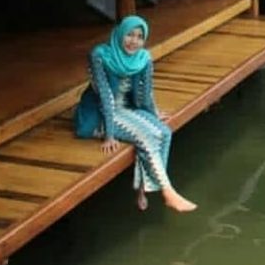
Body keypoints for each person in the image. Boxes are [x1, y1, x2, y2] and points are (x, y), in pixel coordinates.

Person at [75, 15, 197, 212]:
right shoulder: (100, 55)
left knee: (164, 132)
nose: (134, 41)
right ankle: (167, 191)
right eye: (130, 35)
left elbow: (145, 93)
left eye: (140, 37)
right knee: (146, 135)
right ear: (121, 33)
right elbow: (104, 96)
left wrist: (154, 113)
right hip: (101, 114)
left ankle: (144, 187)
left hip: (127, 109)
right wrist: (110, 134)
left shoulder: (143, 59)